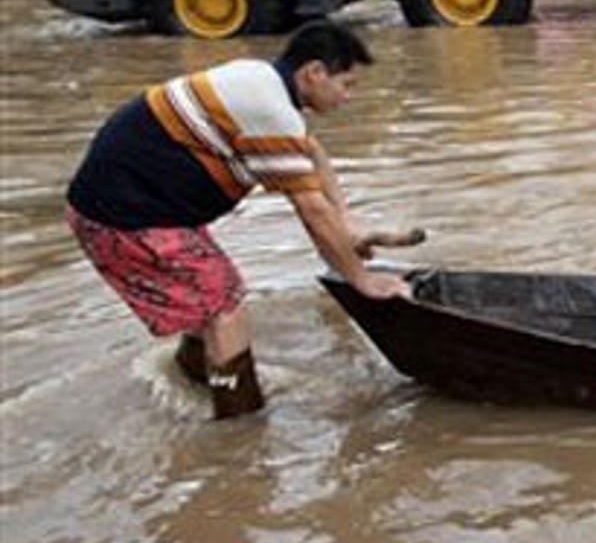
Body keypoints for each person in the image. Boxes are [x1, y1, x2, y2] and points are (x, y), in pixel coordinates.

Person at [64, 22, 410, 420]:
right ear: (314, 73)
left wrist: (346, 222)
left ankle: (197, 377)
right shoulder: (271, 109)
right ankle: (239, 423)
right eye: (347, 84)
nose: (349, 97)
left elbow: (310, 151)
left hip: (128, 208)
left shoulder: (258, 79)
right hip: (124, 218)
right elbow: (311, 212)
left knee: (208, 299)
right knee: (225, 304)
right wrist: (361, 280)